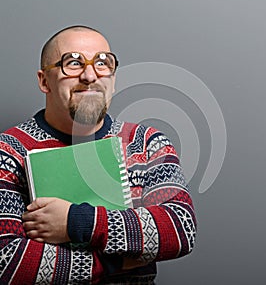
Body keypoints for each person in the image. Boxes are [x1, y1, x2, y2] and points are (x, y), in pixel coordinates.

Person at [0, 25, 197, 284]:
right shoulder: (8, 150)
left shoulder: (147, 143)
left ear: (113, 80)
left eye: (103, 63)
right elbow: (8, 261)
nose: (90, 75)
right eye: (72, 63)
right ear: (44, 81)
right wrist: (117, 261)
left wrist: (75, 221)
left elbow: (179, 228)